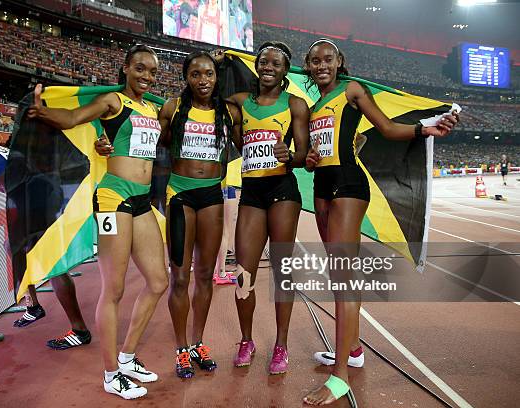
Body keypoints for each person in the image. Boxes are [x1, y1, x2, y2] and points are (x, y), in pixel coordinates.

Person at [301, 39, 459, 406]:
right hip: (322, 189)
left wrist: (425, 129)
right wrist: (308, 157)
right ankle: (352, 350)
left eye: (328, 58)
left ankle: (340, 377)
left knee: (342, 282)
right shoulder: (314, 106)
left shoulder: (351, 89)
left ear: (339, 62)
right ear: (308, 66)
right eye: (314, 60)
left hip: (348, 188)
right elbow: (318, 153)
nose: (321, 64)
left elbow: (387, 128)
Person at [27, 44, 168, 400]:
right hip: (113, 200)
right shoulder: (112, 101)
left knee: (157, 281)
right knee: (115, 288)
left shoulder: (151, 107)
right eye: (139, 68)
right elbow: (74, 119)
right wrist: (43, 112)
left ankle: (127, 356)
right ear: (125, 68)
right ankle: (110, 374)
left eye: (151, 71)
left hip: (141, 200)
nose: (146, 76)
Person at [216, 42, 310, 375]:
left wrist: (291, 155)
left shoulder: (296, 105)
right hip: (252, 192)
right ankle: (247, 339)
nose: (267, 66)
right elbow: (211, 102)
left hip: (283, 190)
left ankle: (281, 344)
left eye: (276, 62)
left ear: (286, 70)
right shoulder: (241, 103)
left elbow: (303, 155)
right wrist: (223, 64)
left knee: (283, 270)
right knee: (244, 272)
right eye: (263, 61)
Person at [157, 51, 241, 378]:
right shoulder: (172, 108)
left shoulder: (228, 112)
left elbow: (248, 145)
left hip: (211, 195)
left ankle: (197, 343)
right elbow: (151, 140)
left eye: (208, 74)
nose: (202, 80)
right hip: (179, 194)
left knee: (205, 275)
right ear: (186, 77)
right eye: (195, 74)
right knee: (180, 277)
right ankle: (180, 348)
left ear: (216, 77)